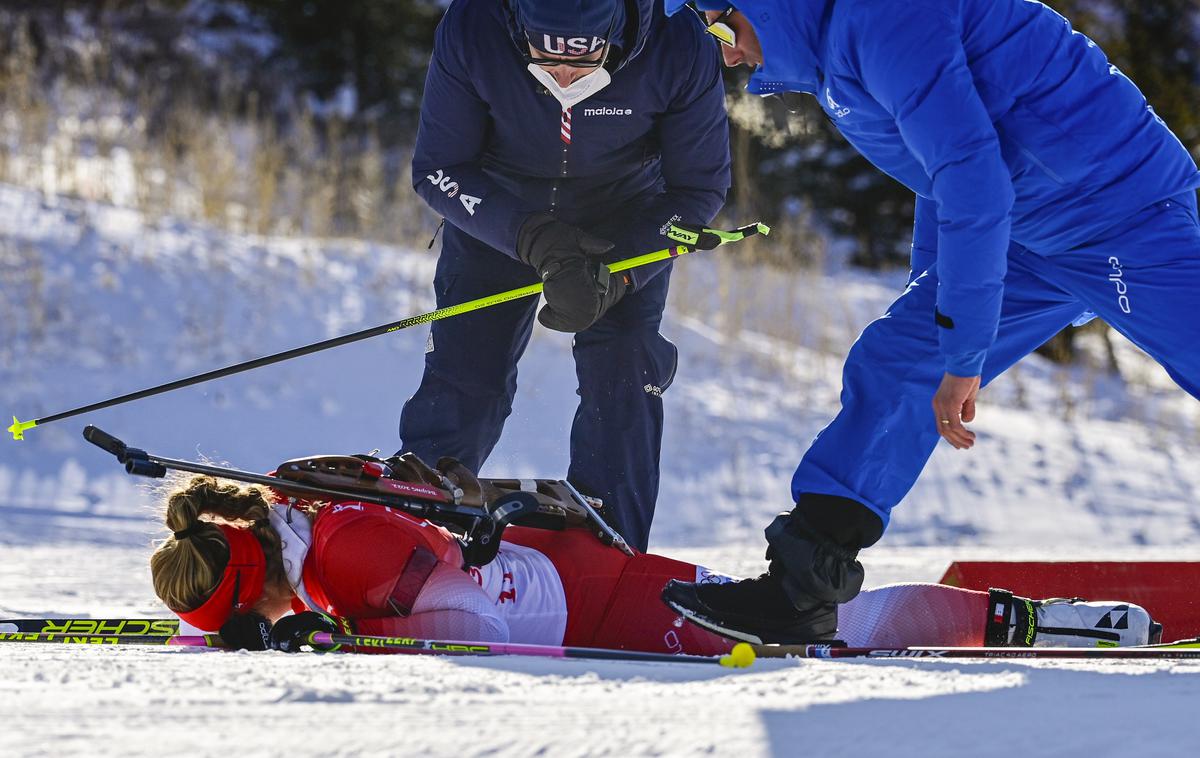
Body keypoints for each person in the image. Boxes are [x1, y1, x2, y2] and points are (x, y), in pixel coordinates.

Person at [659, 0, 1200, 644]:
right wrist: (938, 318)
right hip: (1023, 233)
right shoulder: (837, 51)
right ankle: (799, 592)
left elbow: (972, 178)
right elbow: (938, 174)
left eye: (719, 29)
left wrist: (965, 354)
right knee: (895, 362)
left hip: (1120, 211)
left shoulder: (887, 16)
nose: (725, 54)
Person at [399, 0, 731, 552]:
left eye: (583, 61)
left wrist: (623, 276)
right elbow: (437, 167)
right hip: (498, 213)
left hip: (624, 224)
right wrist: (533, 238)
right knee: (466, 375)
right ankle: (417, 531)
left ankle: (610, 548)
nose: (564, 77)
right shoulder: (473, 24)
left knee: (625, 362)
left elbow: (698, 188)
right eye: (545, 58)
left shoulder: (680, 41)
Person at [148, 474, 1159, 654]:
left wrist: (345, 631)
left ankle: (1064, 619)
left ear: (256, 569)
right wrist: (309, 624)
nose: (266, 626)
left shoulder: (346, 548)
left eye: (252, 615)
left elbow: (478, 630)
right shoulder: (291, 539)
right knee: (814, 634)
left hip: (600, 600)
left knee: (820, 635)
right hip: (564, 583)